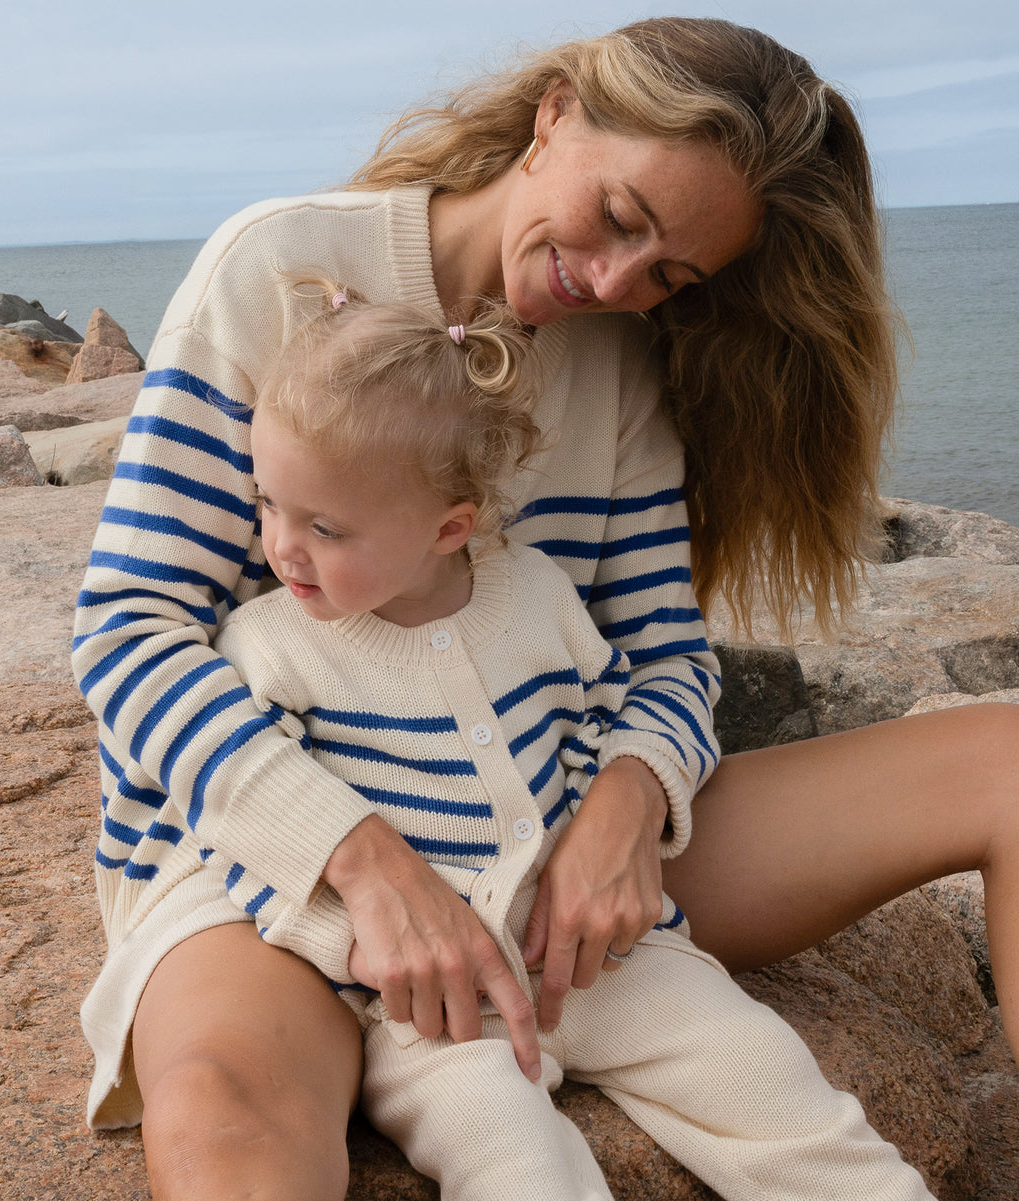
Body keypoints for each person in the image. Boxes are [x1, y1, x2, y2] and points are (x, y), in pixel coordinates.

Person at [72, 16, 1018, 1200]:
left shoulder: (620, 352)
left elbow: (665, 658)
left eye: (670, 274)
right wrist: (365, 864)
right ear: (555, 115)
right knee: (225, 1122)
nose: (616, 283)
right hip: (278, 870)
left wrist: (628, 803)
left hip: (547, 823)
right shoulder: (277, 265)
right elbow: (129, 630)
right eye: (618, 215)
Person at [204, 278, 932, 1199]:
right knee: (513, 1163)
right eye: (269, 502)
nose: (282, 546)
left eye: (325, 526)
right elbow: (245, 836)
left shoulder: (539, 596)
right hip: (433, 1008)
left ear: (449, 527)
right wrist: (349, 947)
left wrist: (607, 851)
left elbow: (604, 721)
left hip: (598, 960)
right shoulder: (268, 647)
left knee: (765, 1073)